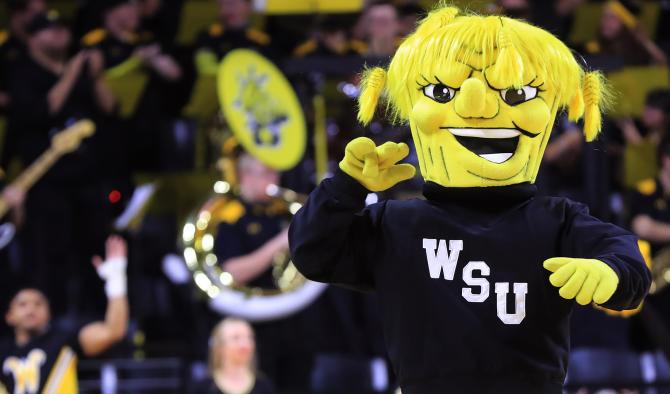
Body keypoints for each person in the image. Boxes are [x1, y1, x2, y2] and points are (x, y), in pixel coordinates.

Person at [289, 5, 650, 393]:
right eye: (443, 92)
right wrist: (345, 189)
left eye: (515, 94)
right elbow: (313, 254)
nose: (476, 106)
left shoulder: (556, 218)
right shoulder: (397, 223)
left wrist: (609, 273)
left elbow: (630, 265)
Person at [7, 11, 116, 317]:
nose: (60, 37)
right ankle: (48, 323)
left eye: (63, 30)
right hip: (45, 182)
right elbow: (44, 111)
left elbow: (110, 109)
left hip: (86, 179)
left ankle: (100, 323)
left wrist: (95, 75)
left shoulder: (83, 71)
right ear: (32, 37)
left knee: (94, 254)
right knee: (49, 257)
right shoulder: (22, 72)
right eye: (50, 31)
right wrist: (71, 72)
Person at [0, 235, 129, 394]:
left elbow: (113, 331)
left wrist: (116, 281)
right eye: (22, 304)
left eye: (38, 304)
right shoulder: (3, 351)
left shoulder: (63, 342)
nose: (31, 309)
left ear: (49, 313)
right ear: (9, 316)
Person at [197, 318, 275, 394]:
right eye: (236, 338)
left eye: (249, 337)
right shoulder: (204, 386)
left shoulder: (263, 385)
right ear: (219, 347)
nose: (245, 344)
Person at [194, 0, 272, 76]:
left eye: (232, 4)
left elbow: (271, 73)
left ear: (248, 6)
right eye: (222, 5)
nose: (227, 10)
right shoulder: (208, 36)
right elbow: (206, 70)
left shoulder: (262, 40)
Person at [584, 0, 667, 66]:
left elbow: (663, 66)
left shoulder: (637, 55)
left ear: (626, 24)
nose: (605, 21)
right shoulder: (593, 48)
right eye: (604, 16)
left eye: (612, 17)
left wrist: (644, 40)